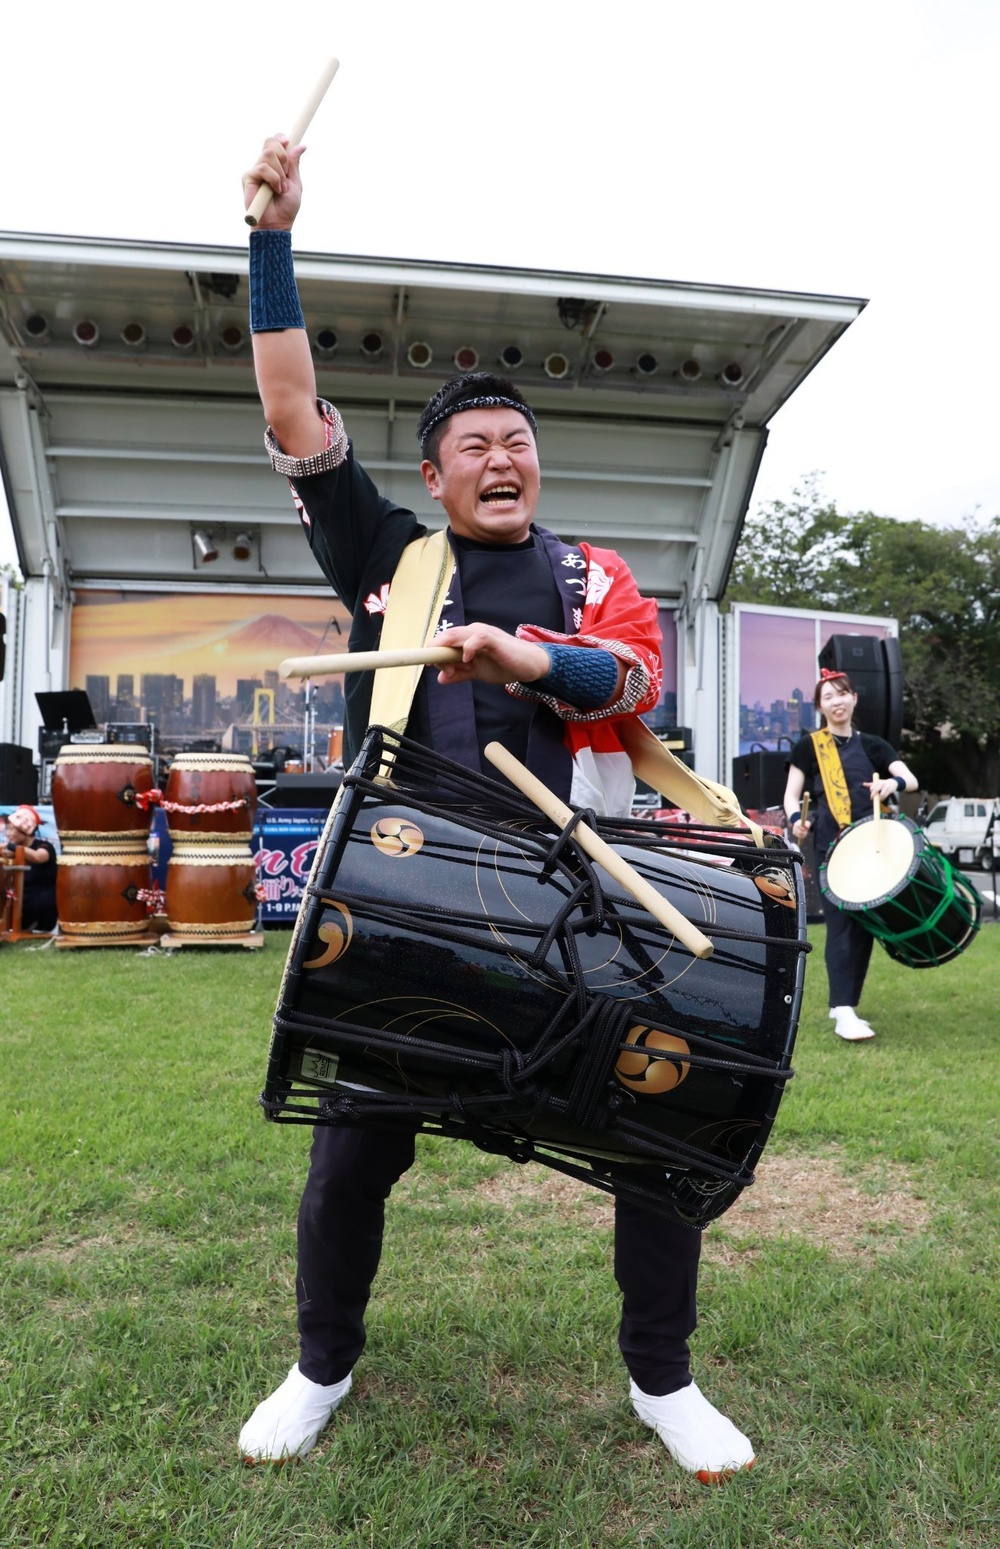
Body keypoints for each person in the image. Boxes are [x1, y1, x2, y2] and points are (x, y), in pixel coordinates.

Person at [236, 133, 756, 1483]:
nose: (501, 456)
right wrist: (274, 238)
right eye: (474, 445)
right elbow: (294, 408)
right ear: (439, 476)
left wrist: (525, 659)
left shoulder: (589, 576)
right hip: (410, 903)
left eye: (518, 440)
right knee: (350, 1162)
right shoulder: (390, 560)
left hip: (580, 894)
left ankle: (664, 1377)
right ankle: (321, 1363)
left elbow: (632, 677)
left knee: (657, 1128)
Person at [783, 669, 917, 1041]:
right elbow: (792, 796)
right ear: (820, 706)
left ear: (854, 698)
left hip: (872, 844)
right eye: (828, 696)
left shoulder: (873, 745)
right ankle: (844, 1011)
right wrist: (797, 820)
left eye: (842, 694)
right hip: (832, 843)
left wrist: (893, 782)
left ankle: (844, 1003)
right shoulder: (810, 746)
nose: (837, 701)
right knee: (842, 923)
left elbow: (909, 778)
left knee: (864, 924)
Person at [1, 805, 57, 932]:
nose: (8, 834)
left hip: (40, 905)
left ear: (25, 831)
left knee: (36, 904)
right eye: (7, 830)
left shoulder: (44, 846)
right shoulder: (10, 851)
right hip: (18, 901)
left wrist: (13, 847)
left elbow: (39, 857)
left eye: (11, 830)